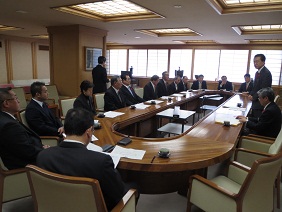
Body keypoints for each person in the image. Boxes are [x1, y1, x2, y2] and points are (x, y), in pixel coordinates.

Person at [36, 108, 138, 211]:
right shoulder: (101, 161)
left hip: (56, 206)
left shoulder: (43, 156)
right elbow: (118, 194)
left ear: (65, 130)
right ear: (89, 132)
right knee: (134, 186)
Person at [0, 87, 45, 170]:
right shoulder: (8, 125)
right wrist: (45, 151)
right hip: (27, 169)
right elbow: (28, 152)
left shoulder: (6, 119)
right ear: (6, 103)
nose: (19, 101)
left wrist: (41, 147)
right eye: (16, 98)